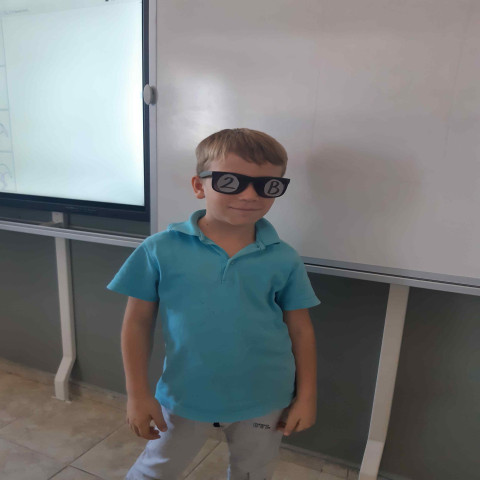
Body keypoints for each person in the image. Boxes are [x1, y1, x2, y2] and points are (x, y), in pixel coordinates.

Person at [107, 128, 321, 480]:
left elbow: (300, 329)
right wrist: (137, 394)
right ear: (199, 186)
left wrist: (307, 395)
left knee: (253, 472)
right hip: (185, 394)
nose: (249, 195)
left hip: (265, 396)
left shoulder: (283, 258)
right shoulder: (160, 249)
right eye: (230, 182)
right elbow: (137, 323)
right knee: (156, 470)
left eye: (267, 186)